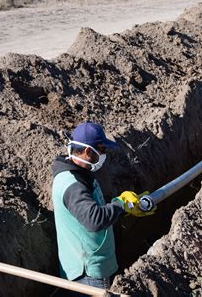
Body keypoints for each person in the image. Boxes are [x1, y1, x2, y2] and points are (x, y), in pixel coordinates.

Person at [51, 122, 154, 292]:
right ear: (88, 151)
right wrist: (122, 204)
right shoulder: (72, 184)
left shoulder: (81, 174)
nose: (105, 154)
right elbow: (94, 220)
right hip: (88, 274)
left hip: (92, 267)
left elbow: (93, 208)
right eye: (102, 150)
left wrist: (123, 209)